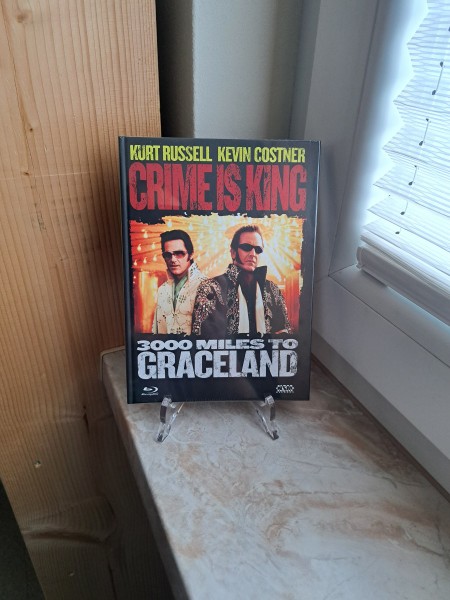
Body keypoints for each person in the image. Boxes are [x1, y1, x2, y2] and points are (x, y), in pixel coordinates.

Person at [192, 225, 291, 336]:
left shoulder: (273, 290)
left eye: (258, 250)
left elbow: (285, 334)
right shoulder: (210, 288)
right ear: (233, 252)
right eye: (246, 247)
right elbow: (201, 338)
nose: (253, 254)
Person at [152, 229, 206, 334]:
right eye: (168, 255)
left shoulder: (205, 286)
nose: (173, 259)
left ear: (191, 254)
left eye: (179, 254)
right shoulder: (162, 290)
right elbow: (156, 330)